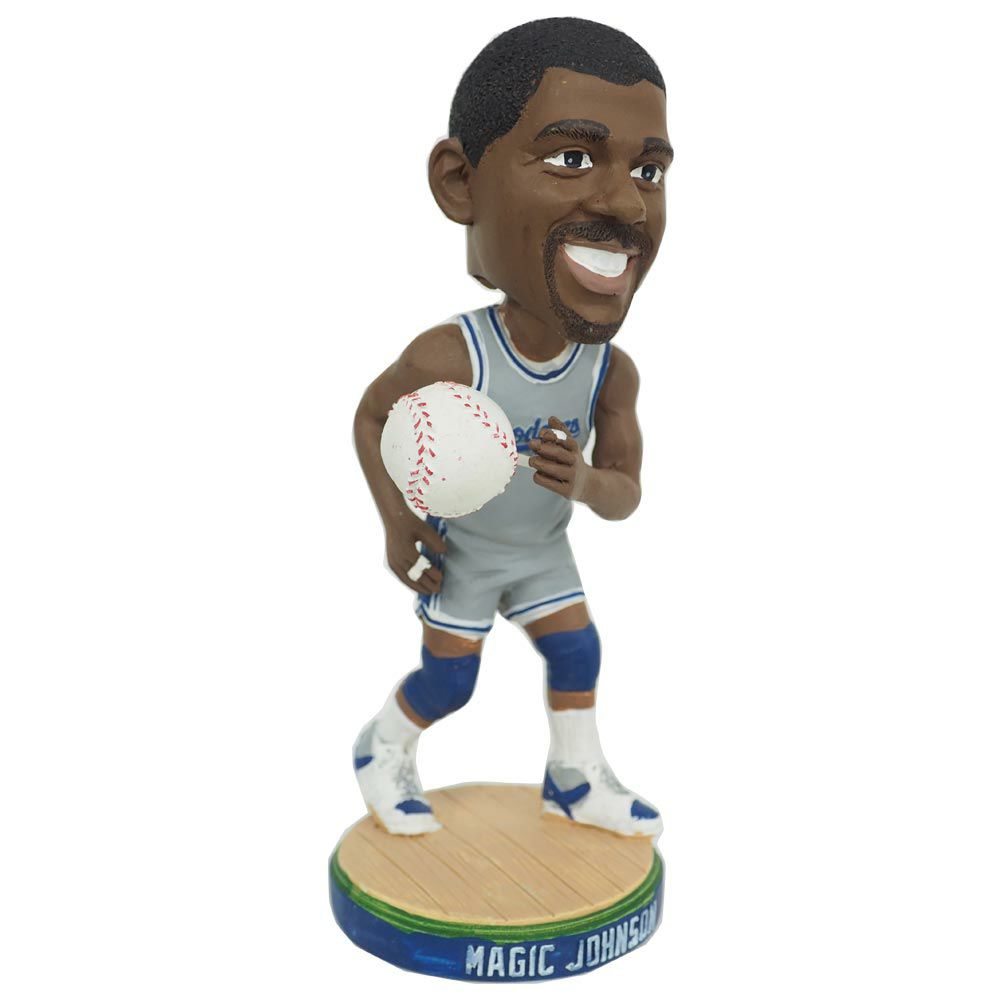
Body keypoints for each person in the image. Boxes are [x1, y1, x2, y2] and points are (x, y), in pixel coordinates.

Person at [351, 17, 673, 837]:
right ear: (461, 184)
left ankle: (574, 778)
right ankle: (382, 747)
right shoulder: (452, 355)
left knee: (579, 653)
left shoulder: (609, 372)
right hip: (465, 553)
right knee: (450, 684)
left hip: (540, 549)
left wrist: (586, 482)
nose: (627, 201)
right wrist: (397, 524)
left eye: (649, 170)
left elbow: (626, 495)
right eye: (572, 159)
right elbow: (373, 413)